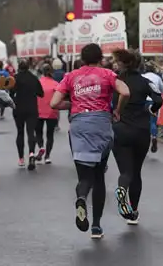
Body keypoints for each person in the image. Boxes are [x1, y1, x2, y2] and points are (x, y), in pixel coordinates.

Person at [50, 43, 130, 239]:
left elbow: (54, 103)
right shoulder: (107, 74)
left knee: (84, 177)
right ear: (101, 58)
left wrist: (72, 103)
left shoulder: (70, 77)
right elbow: (126, 92)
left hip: (79, 126)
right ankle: (96, 226)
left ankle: (81, 198)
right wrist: (118, 110)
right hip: (101, 123)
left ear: (82, 59)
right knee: (99, 177)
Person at [111, 50, 163, 225]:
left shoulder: (114, 82)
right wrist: (151, 110)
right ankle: (133, 211)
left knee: (126, 172)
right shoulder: (145, 81)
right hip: (141, 130)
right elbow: (159, 100)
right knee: (137, 172)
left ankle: (122, 188)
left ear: (122, 64)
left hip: (120, 128)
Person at [10, 60, 43, 170]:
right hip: (32, 109)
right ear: (28, 67)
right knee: (30, 132)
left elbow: (11, 93)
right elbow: (41, 93)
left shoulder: (15, 78)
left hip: (18, 108)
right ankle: (31, 154)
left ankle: (21, 159)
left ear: (19, 68)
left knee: (20, 133)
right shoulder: (33, 78)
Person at [35, 64, 59, 164]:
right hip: (52, 111)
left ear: (42, 72)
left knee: (38, 132)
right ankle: (47, 156)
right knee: (50, 135)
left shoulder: (37, 83)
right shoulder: (56, 84)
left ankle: (41, 147)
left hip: (38, 111)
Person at [142, 61, 163, 153]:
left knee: (143, 121)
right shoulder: (157, 78)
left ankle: (144, 141)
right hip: (154, 101)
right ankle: (154, 136)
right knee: (153, 121)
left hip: (144, 101)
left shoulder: (142, 77)